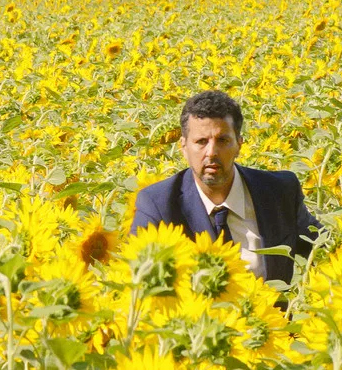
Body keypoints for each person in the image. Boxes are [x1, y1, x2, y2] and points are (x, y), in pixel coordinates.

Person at [130, 90, 321, 285]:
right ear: (184, 147)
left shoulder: (279, 192)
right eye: (201, 141)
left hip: (271, 304)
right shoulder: (158, 205)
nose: (211, 152)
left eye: (222, 140)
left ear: (239, 144)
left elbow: (321, 248)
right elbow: (138, 278)